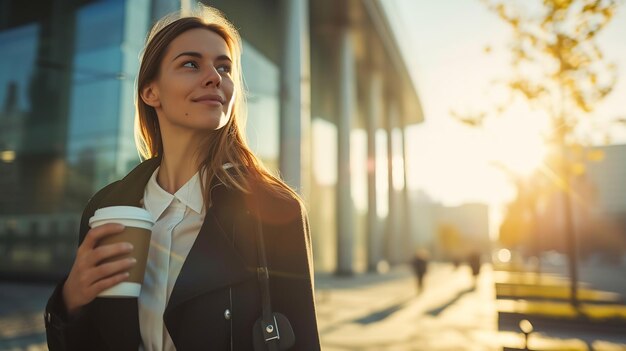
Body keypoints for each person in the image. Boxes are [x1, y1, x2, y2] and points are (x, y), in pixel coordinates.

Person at [44, 5, 320, 350]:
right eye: (191, 64)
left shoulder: (274, 210)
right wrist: (69, 301)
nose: (214, 77)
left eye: (224, 67)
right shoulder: (107, 210)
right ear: (150, 92)